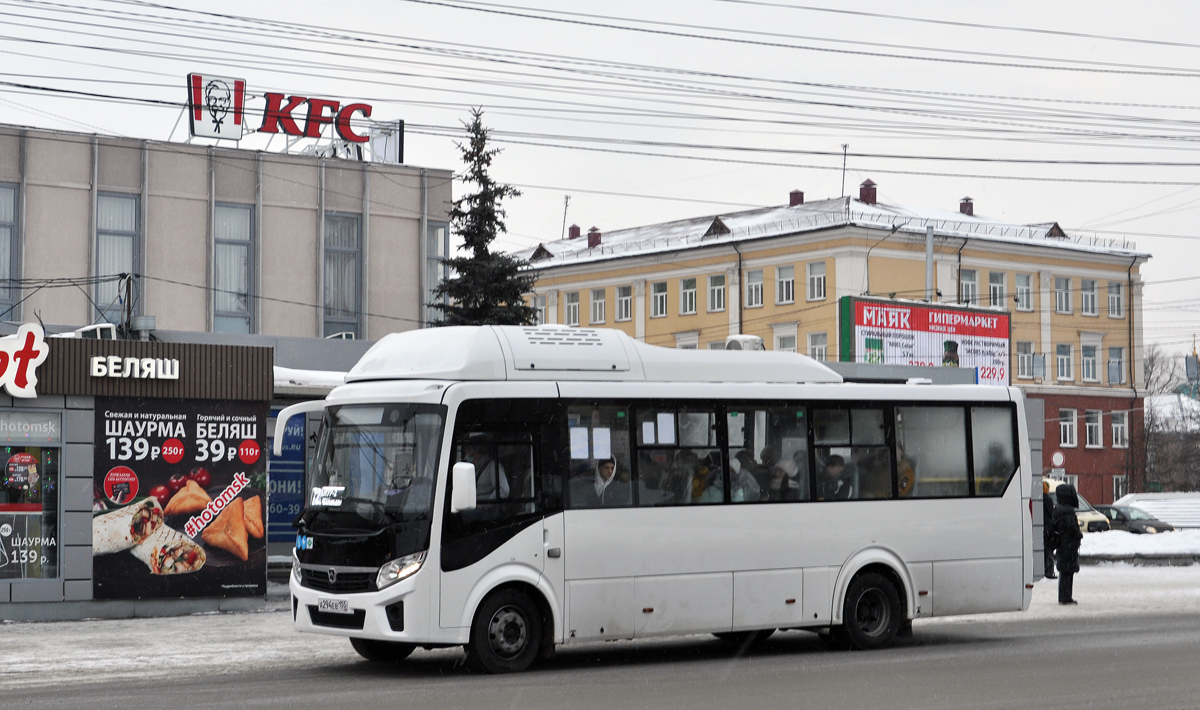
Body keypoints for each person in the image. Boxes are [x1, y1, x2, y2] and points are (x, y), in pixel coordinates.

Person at [1051, 483, 1082, 604]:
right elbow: (1072, 528)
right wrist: (1078, 535)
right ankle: (1066, 597)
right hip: (1068, 545)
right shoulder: (1068, 511)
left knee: (1064, 571)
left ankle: (1063, 595)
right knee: (1068, 572)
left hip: (1062, 544)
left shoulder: (1058, 508)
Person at [1042, 480, 1058, 579]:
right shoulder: (1047, 499)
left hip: (1040, 527)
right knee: (1048, 550)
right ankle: (1049, 571)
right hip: (1047, 528)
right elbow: (1051, 514)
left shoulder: (1037, 498)